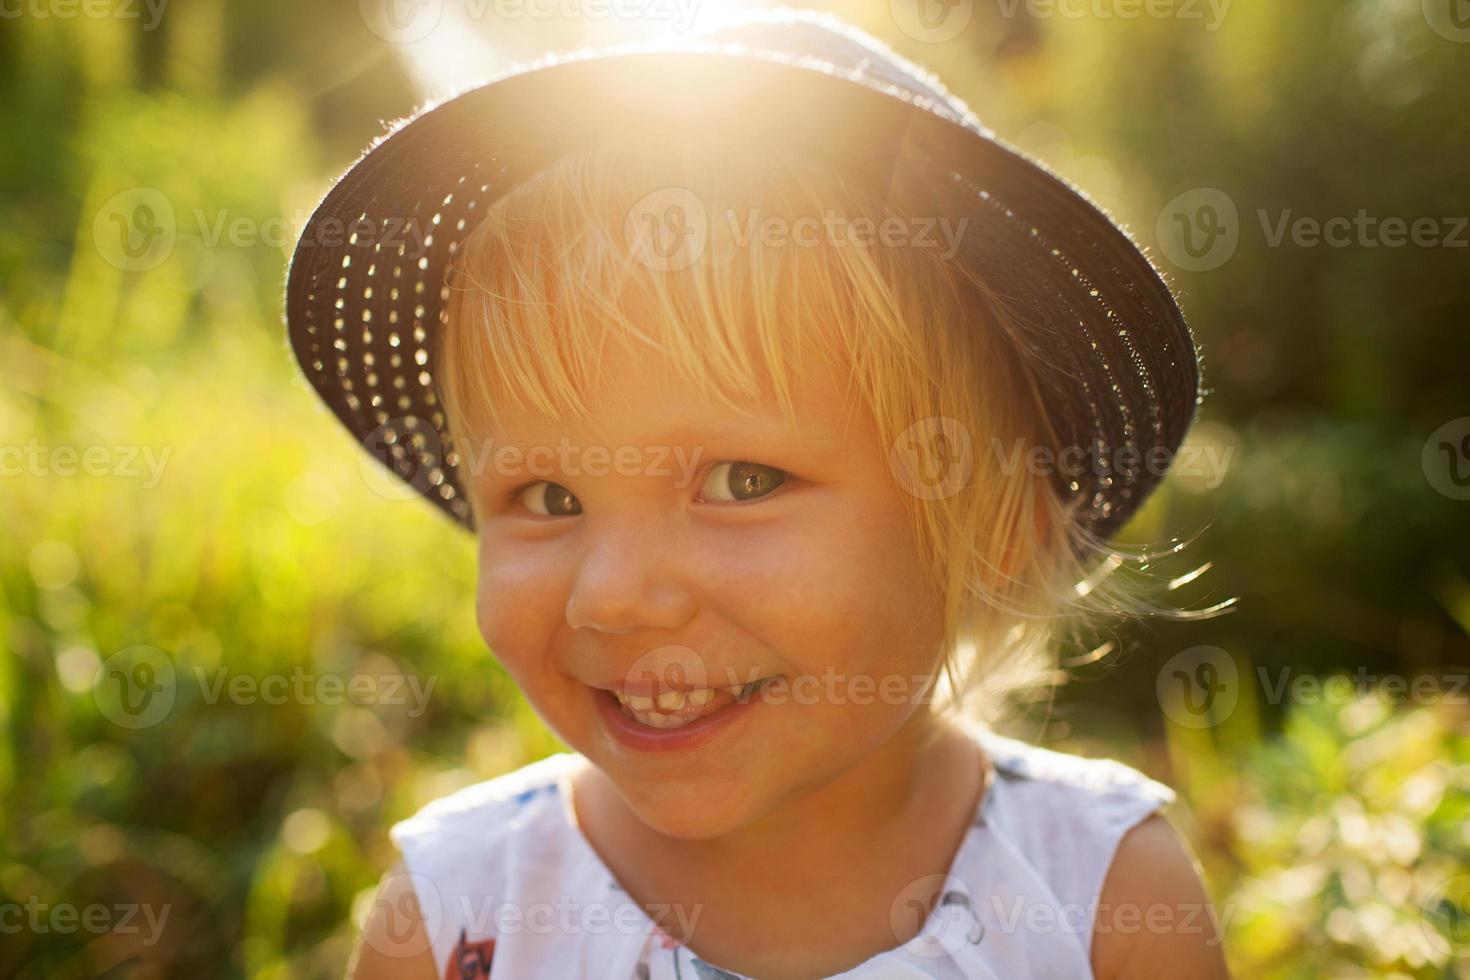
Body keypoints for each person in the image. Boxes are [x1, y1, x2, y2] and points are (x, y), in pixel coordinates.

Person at [285, 9, 1230, 978]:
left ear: (997, 526)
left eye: (741, 481)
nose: (611, 592)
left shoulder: (1102, 899)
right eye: (548, 494)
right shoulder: (457, 920)